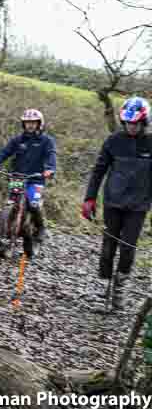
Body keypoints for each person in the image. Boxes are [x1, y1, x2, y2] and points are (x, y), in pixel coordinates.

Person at [81, 97, 152, 310]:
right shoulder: (113, 141)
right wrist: (90, 198)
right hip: (113, 202)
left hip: (138, 206)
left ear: (144, 123)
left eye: (136, 124)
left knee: (128, 248)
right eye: (128, 123)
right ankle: (101, 288)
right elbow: (99, 170)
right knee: (108, 247)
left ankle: (120, 289)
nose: (131, 128)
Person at [0, 109, 56, 254]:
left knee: (33, 204)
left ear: (39, 124)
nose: (30, 125)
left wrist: (50, 169)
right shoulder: (17, 140)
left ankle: (40, 229)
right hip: (17, 178)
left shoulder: (46, 141)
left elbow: (51, 155)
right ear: (23, 124)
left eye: (33, 123)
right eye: (27, 123)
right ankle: (3, 238)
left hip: (35, 179)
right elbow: (5, 152)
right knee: (10, 204)